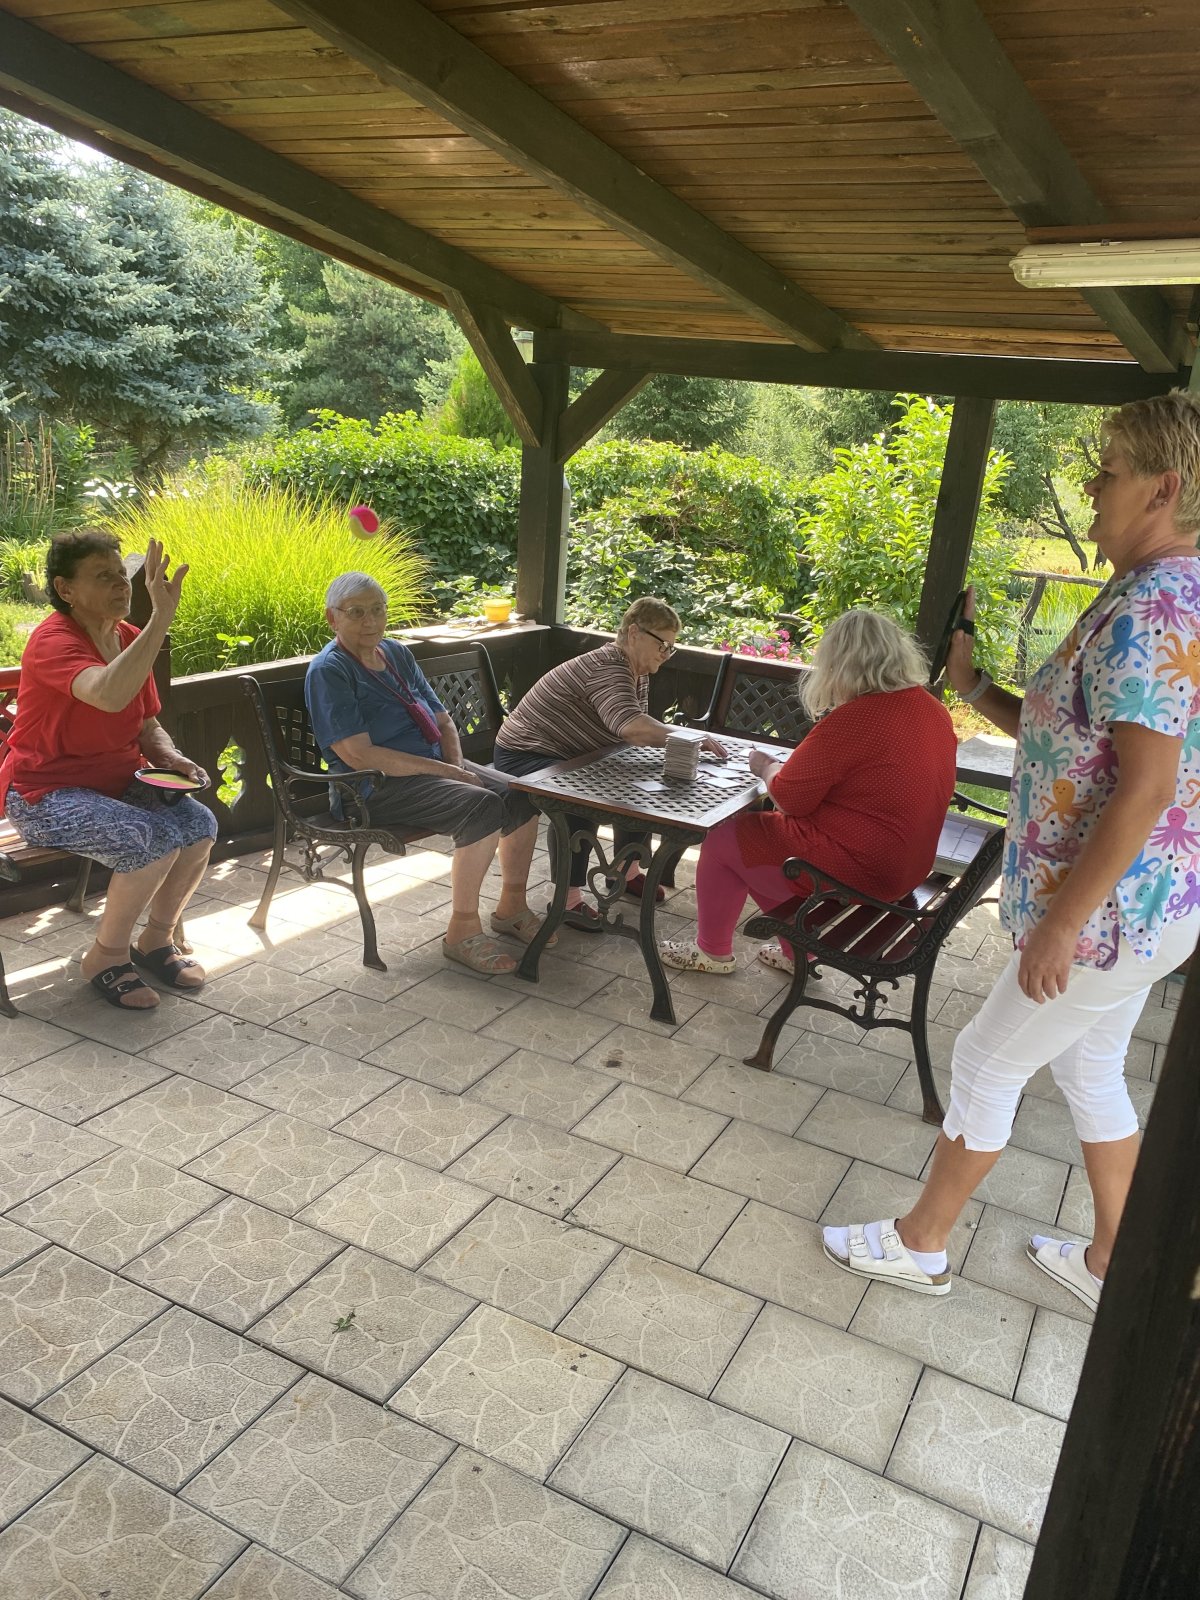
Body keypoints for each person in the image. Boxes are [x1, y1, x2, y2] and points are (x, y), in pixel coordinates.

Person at [822, 389, 1200, 1309]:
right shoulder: (1165, 592)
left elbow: (1146, 787)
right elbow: (1074, 741)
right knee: (1088, 1065)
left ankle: (920, 1243)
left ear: (1164, 487)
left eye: (1108, 471)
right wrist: (975, 686)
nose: (1091, 487)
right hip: (1154, 910)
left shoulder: (1154, 608)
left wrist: (1061, 925)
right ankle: (1112, 1263)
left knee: (987, 1060)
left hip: (1108, 918)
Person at [660, 609, 958, 974]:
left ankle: (713, 952)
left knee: (726, 837)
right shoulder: (932, 708)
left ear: (839, 664)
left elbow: (789, 799)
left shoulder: (856, 717)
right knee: (760, 847)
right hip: (907, 868)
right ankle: (798, 952)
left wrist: (765, 766)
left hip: (867, 872)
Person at [0, 531, 216, 1010]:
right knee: (148, 839)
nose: (122, 584)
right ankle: (106, 956)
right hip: (43, 793)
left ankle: (156, 940)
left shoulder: (128, 637)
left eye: (122, 574)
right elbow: (108, 694)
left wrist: (171, 757)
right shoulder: (53, 641)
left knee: (200, 826)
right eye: (104, 576)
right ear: (66, 589)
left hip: (117, 782)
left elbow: (145, 722)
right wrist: (161, 618)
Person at [305, 572, 547, 975]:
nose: (370, 621)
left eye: (378, 609)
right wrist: (448, 773)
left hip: (429, 769)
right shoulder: (331, 670)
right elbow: (358, 755)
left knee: (522, 792)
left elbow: (442, 719)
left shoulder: (395, 653)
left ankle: (511, 906)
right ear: (333, 619)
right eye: (357, 612)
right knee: (481, 806)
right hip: (371, 787)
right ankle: (462, 931)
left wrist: (455, 767)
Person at [492, 597, 726, 929]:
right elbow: (630, 726)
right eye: (662, 644)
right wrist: (689, 737)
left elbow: (631, 733)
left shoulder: (634, 669)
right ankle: (568, 900)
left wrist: (673, 740)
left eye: (671, 648)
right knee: (578, 800)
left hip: (573, 752)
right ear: (634, 633)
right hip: (525, 753)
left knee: (641, 780)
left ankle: (625, 872)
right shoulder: (609, 667)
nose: (666, 653)